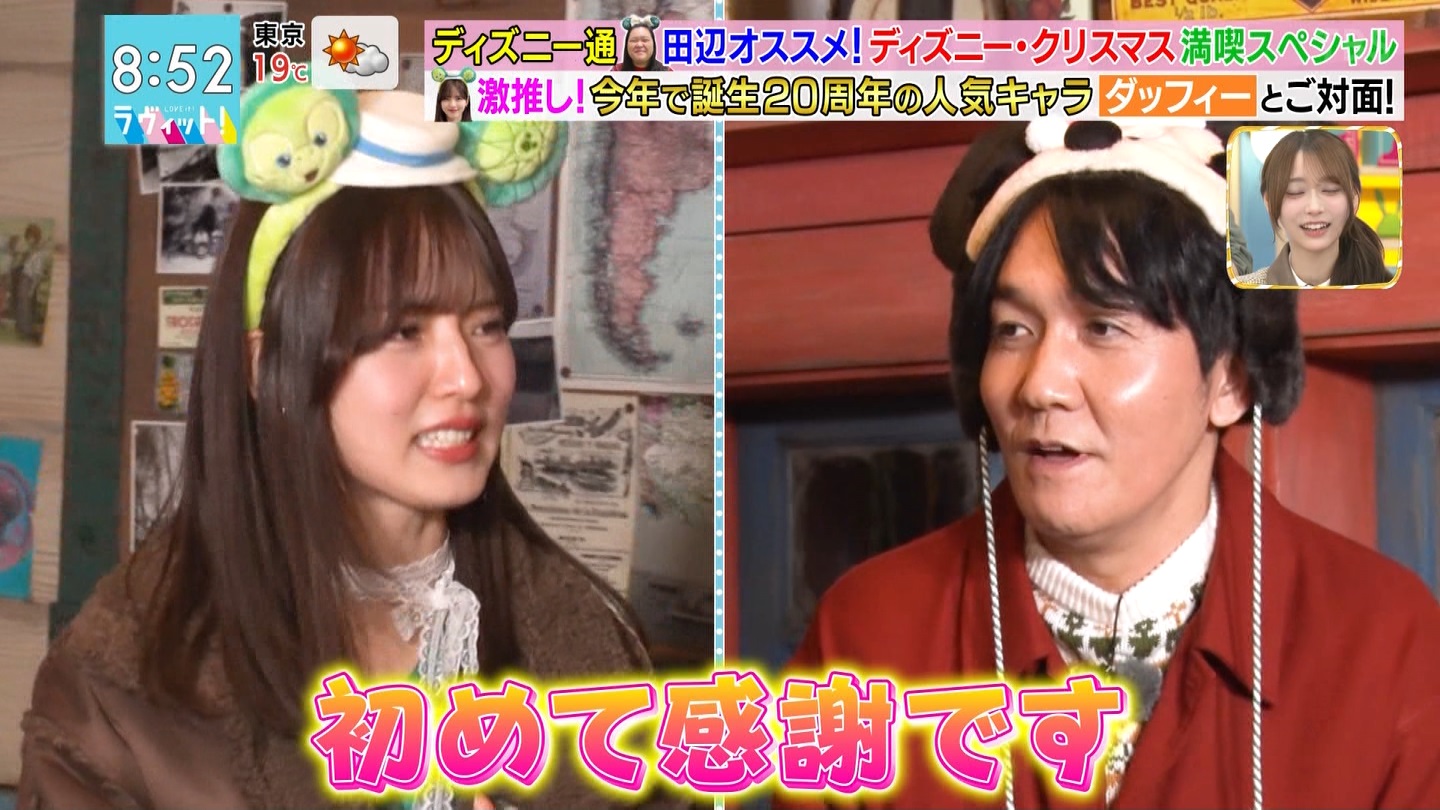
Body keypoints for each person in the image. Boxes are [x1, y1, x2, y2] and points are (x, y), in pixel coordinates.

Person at [19, 85, 674, 810]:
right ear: (268, 367)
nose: (467, 377)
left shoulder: (590, 653)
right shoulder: (116, 697)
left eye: (486, 325)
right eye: (403, 331)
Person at [778, 120, 1440, 808]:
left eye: (1103, 327)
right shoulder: (867, 631)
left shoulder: (1384, 639)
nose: (1040, 385)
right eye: (1012, 330)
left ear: (1232, 379)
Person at [1235, 128, 1390, 287]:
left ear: (1354, 199)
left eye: (1330, 190)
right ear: (1270, 203)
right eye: (1295, 191)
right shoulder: (1246, 290)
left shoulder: (1384, 288)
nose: (1314, 207)